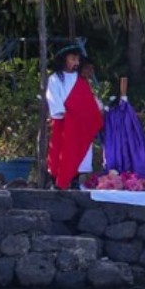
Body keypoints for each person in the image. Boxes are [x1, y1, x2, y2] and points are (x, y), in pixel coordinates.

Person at [45, 45, 103, 190]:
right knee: (61, 151)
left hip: (80, 124)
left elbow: (88, 100)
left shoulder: (81, 79)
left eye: (77, 59)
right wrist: (64, 114)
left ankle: (75, 180)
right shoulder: (55, 79)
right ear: (64, 60)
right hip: (63, 123)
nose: (76, 62)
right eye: (73, 59)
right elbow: (54, 99)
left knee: (80, 153)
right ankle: (57, 181)